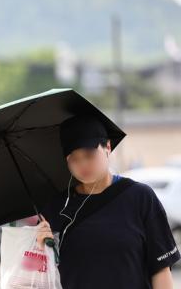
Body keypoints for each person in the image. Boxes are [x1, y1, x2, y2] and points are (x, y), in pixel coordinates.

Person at [36, 114, 180, 289]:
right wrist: (40, 245)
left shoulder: (140, 197)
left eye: (89, 154)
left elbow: (160, 270)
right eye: (73, 159)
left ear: (108, 147)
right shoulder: (57, 206)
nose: (82, 164)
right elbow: (42, 274)